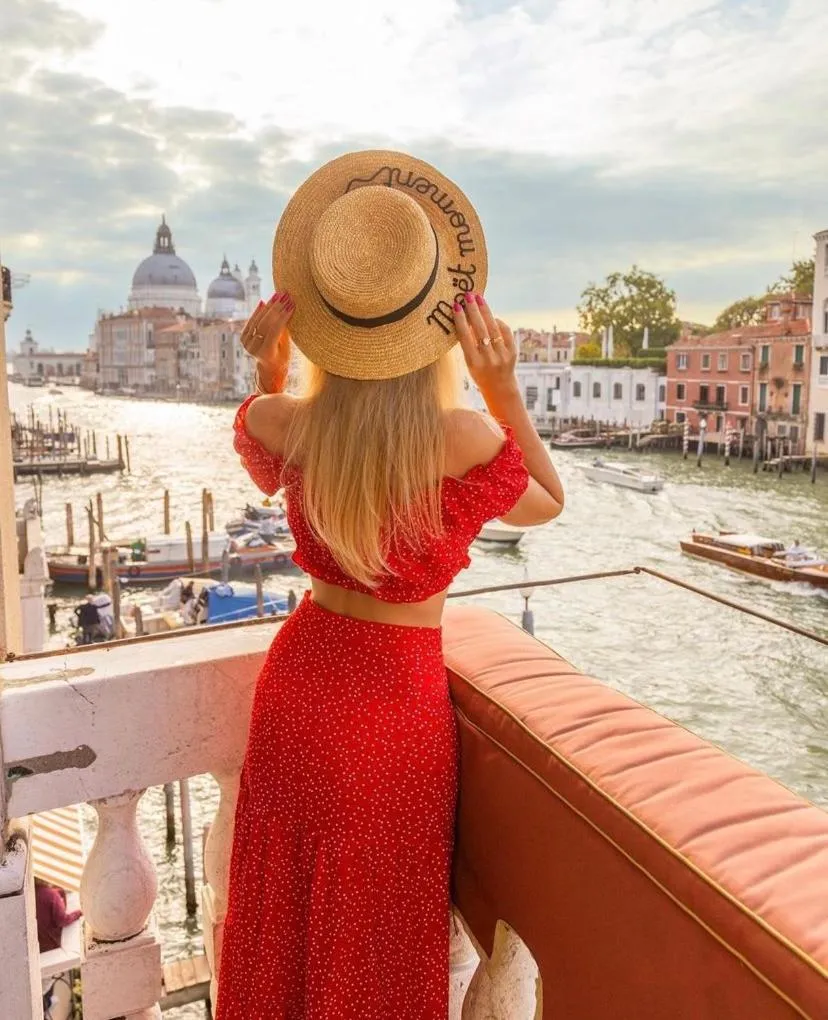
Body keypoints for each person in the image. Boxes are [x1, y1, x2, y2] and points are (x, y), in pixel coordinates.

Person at [216, 150, 564, 1020]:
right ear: (431, 321)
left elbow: (263, 463)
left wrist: (273, 371)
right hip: (391, 703)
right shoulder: (464, 437)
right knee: (373, 927)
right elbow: (547, 503)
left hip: (300, 685)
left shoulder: (285, 420)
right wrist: (502, 386)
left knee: (284, 910)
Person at [34, 877, 82, 953]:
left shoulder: (31, 894)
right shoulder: (51, 895)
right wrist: (79, 913)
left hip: (36, 947)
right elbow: (62, 921)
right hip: (52, 946)